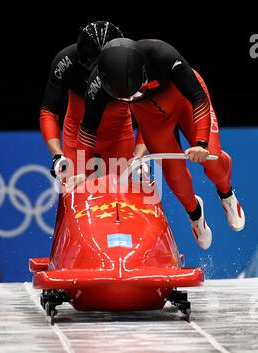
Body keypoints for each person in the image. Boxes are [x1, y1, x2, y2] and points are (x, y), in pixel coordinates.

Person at [77, 38, 245, 250]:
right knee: (174, 174)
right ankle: (195, 213)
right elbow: (87, 129)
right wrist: (82, 170)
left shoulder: (163, 55)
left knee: (212, 158)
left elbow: (198, 98)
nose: (135, 97)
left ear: (145, 71)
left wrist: (201, 143)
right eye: (127, 97)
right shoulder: (97, 85)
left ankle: (227, 194)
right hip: (153, 120)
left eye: (137, 91)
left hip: (185, 101)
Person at [40, 22, 146, 179]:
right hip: (77, 138)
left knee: (121, 197)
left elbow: (149, 117)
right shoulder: (65, 61)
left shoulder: (134, 64)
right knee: (76, 190)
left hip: (118, 137)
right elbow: (48, 112)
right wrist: (58, 156)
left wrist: (139, 156)